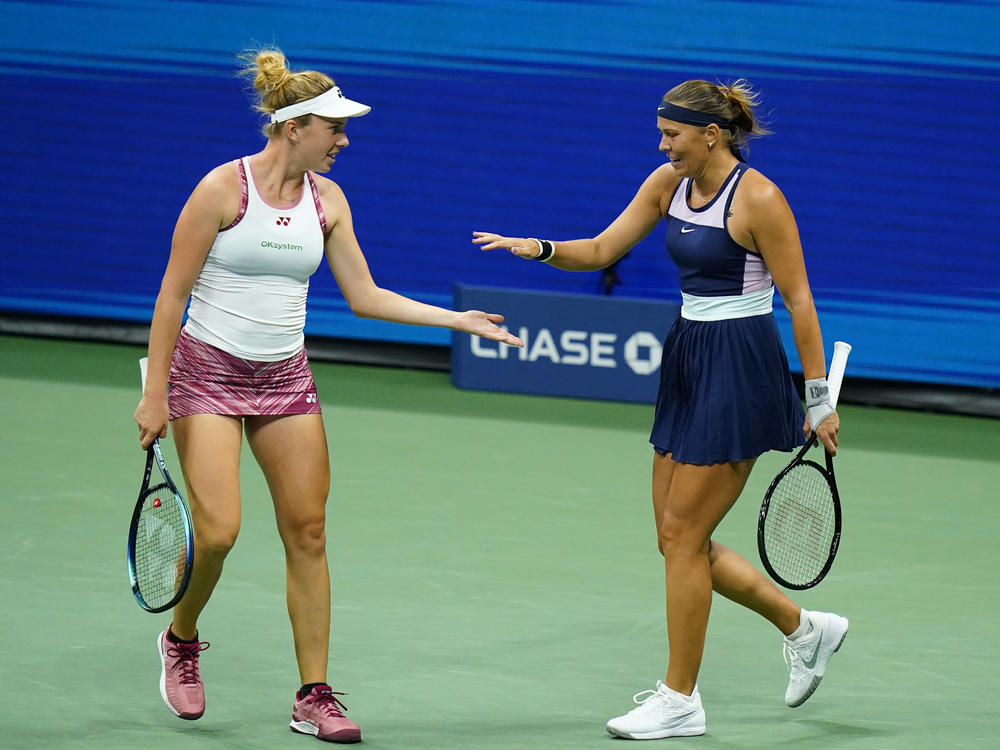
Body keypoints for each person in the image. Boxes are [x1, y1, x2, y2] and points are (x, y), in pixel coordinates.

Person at [133, 47, 523, 744]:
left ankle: (312, 695)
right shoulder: (222, 190)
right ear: (293, 128)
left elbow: (366, 296)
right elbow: (172, 294)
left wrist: (457, 320)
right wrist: (155, 392)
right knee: (218, 530)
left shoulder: (328, 201)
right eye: (333, 129)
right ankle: (181, 637)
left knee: (308, 532)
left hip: (285, 377)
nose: (344, 141)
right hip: (206, 375)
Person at [473, 79, 847, 741]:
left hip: (740, 365)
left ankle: (680, 699)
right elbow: (600, 250)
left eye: (672, 133)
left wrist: (818, 400)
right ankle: (806, 628)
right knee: (678, 540)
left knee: (681, 537)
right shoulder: (666, 183)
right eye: (661, 132)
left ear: (711, 134)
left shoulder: (758, 197)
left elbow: (801, 301)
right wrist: (537, 247)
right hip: (688, 356)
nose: (662, 143)